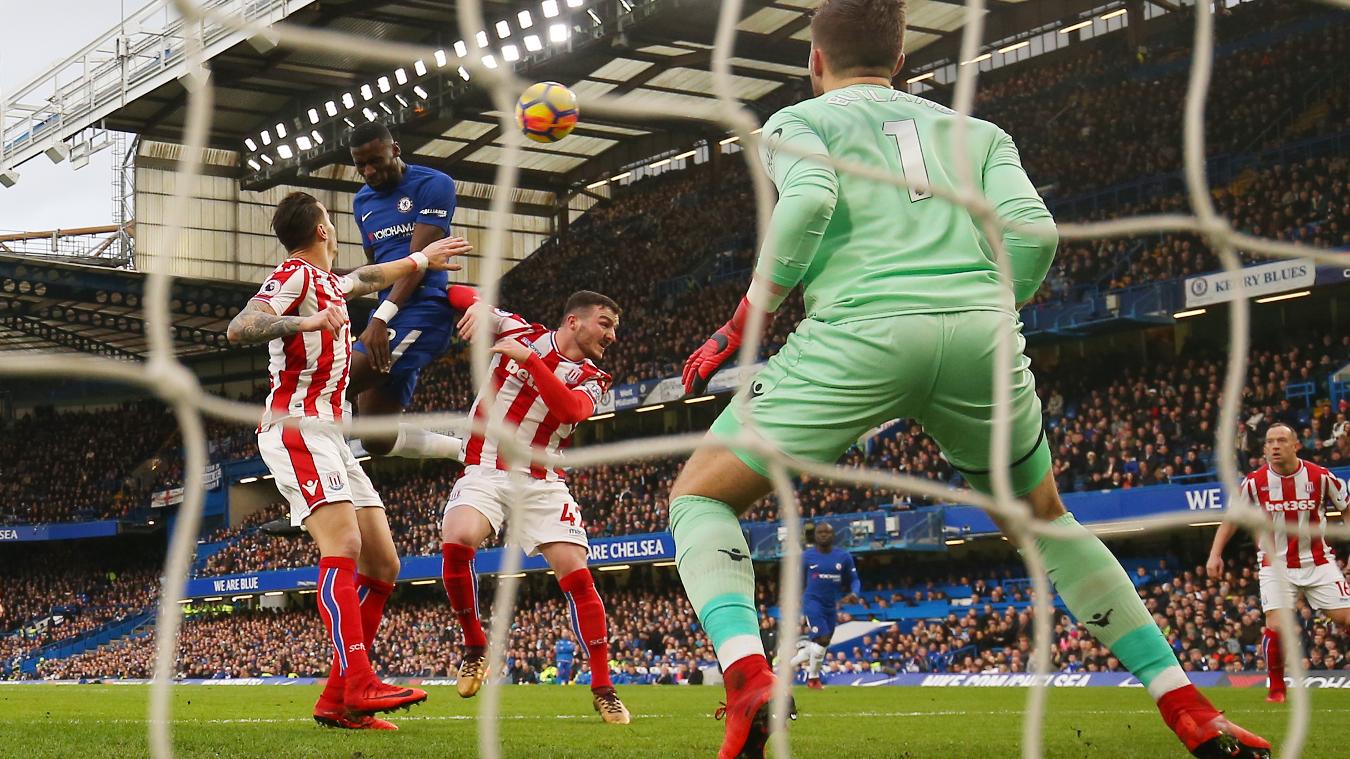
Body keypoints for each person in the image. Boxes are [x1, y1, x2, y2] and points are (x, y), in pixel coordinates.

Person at [666, 2, 1270, 757]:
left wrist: (742, 321)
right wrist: (989, 306)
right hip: (983, 334)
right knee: (1049, 520)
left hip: (861, 330)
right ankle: (1186, 706)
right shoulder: (978, 134)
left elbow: (813, 200)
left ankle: (749, 675)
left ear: (814, 61)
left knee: (700, 494)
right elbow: (1037, 233)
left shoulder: (798, 121)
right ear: (902, 56)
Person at [226, 190, 469, 729]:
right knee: (345, 545)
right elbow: (241, 326)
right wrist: (304, 325)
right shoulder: (292, 274)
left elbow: (368, 278)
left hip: (329, 437)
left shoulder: (329, 283)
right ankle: (360, 681)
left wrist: (423, 260)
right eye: (331, 222)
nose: (335, 229)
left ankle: (336, 701)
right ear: (321, 231)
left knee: (383, 564)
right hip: (296, 428)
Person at [438, 287, 631, 725]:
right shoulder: (518, 329)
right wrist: (440, 281)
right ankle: (473, 648)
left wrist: (528, 362)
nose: (612, 335)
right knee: (457, 539)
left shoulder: (593, 379)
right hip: (486, 468)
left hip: (543, 482)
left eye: (614, 327)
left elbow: (567, 412)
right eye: (606, 323)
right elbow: (461, 296)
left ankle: (603, 688)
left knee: (579, 578)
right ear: (574, 321)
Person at [347, 120, 466, 460]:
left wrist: (380, 319)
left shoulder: (434, 184)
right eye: (360, 165)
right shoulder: (362, 202)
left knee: (334, 387)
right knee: (376, 440)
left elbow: (419, 261)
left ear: (395, 151)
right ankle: (464, 450)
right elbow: (378, 271)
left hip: (422, 311)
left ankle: (328, 488)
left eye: (376, 162)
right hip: (385, 318)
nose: (369, 171)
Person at [1207, 422, 1350, 703]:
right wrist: (1215, 553)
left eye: (1281, 441)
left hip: (1318, 562)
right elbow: (1231, 520)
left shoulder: (1322, 478)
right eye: (1270, 442)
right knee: (1277, 626)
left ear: (1295, 445)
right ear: (1263, 449)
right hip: (1276, 566)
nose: (1275, 446)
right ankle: (1276, 689)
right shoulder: (1254, 482)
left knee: (1346, 618)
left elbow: (1347, 510)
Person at [788, 522, 860, 688]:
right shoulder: (806, 556)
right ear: (815, 536)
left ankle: (787, 666)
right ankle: (813, 679)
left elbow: (854, 579)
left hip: (831, 605)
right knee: (822, 638)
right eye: (820, 532)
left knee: (822, 644)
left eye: (827, 532)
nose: (823, 535)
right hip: (813, 602)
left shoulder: (843, 557)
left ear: (833, 535)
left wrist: (855, 593)